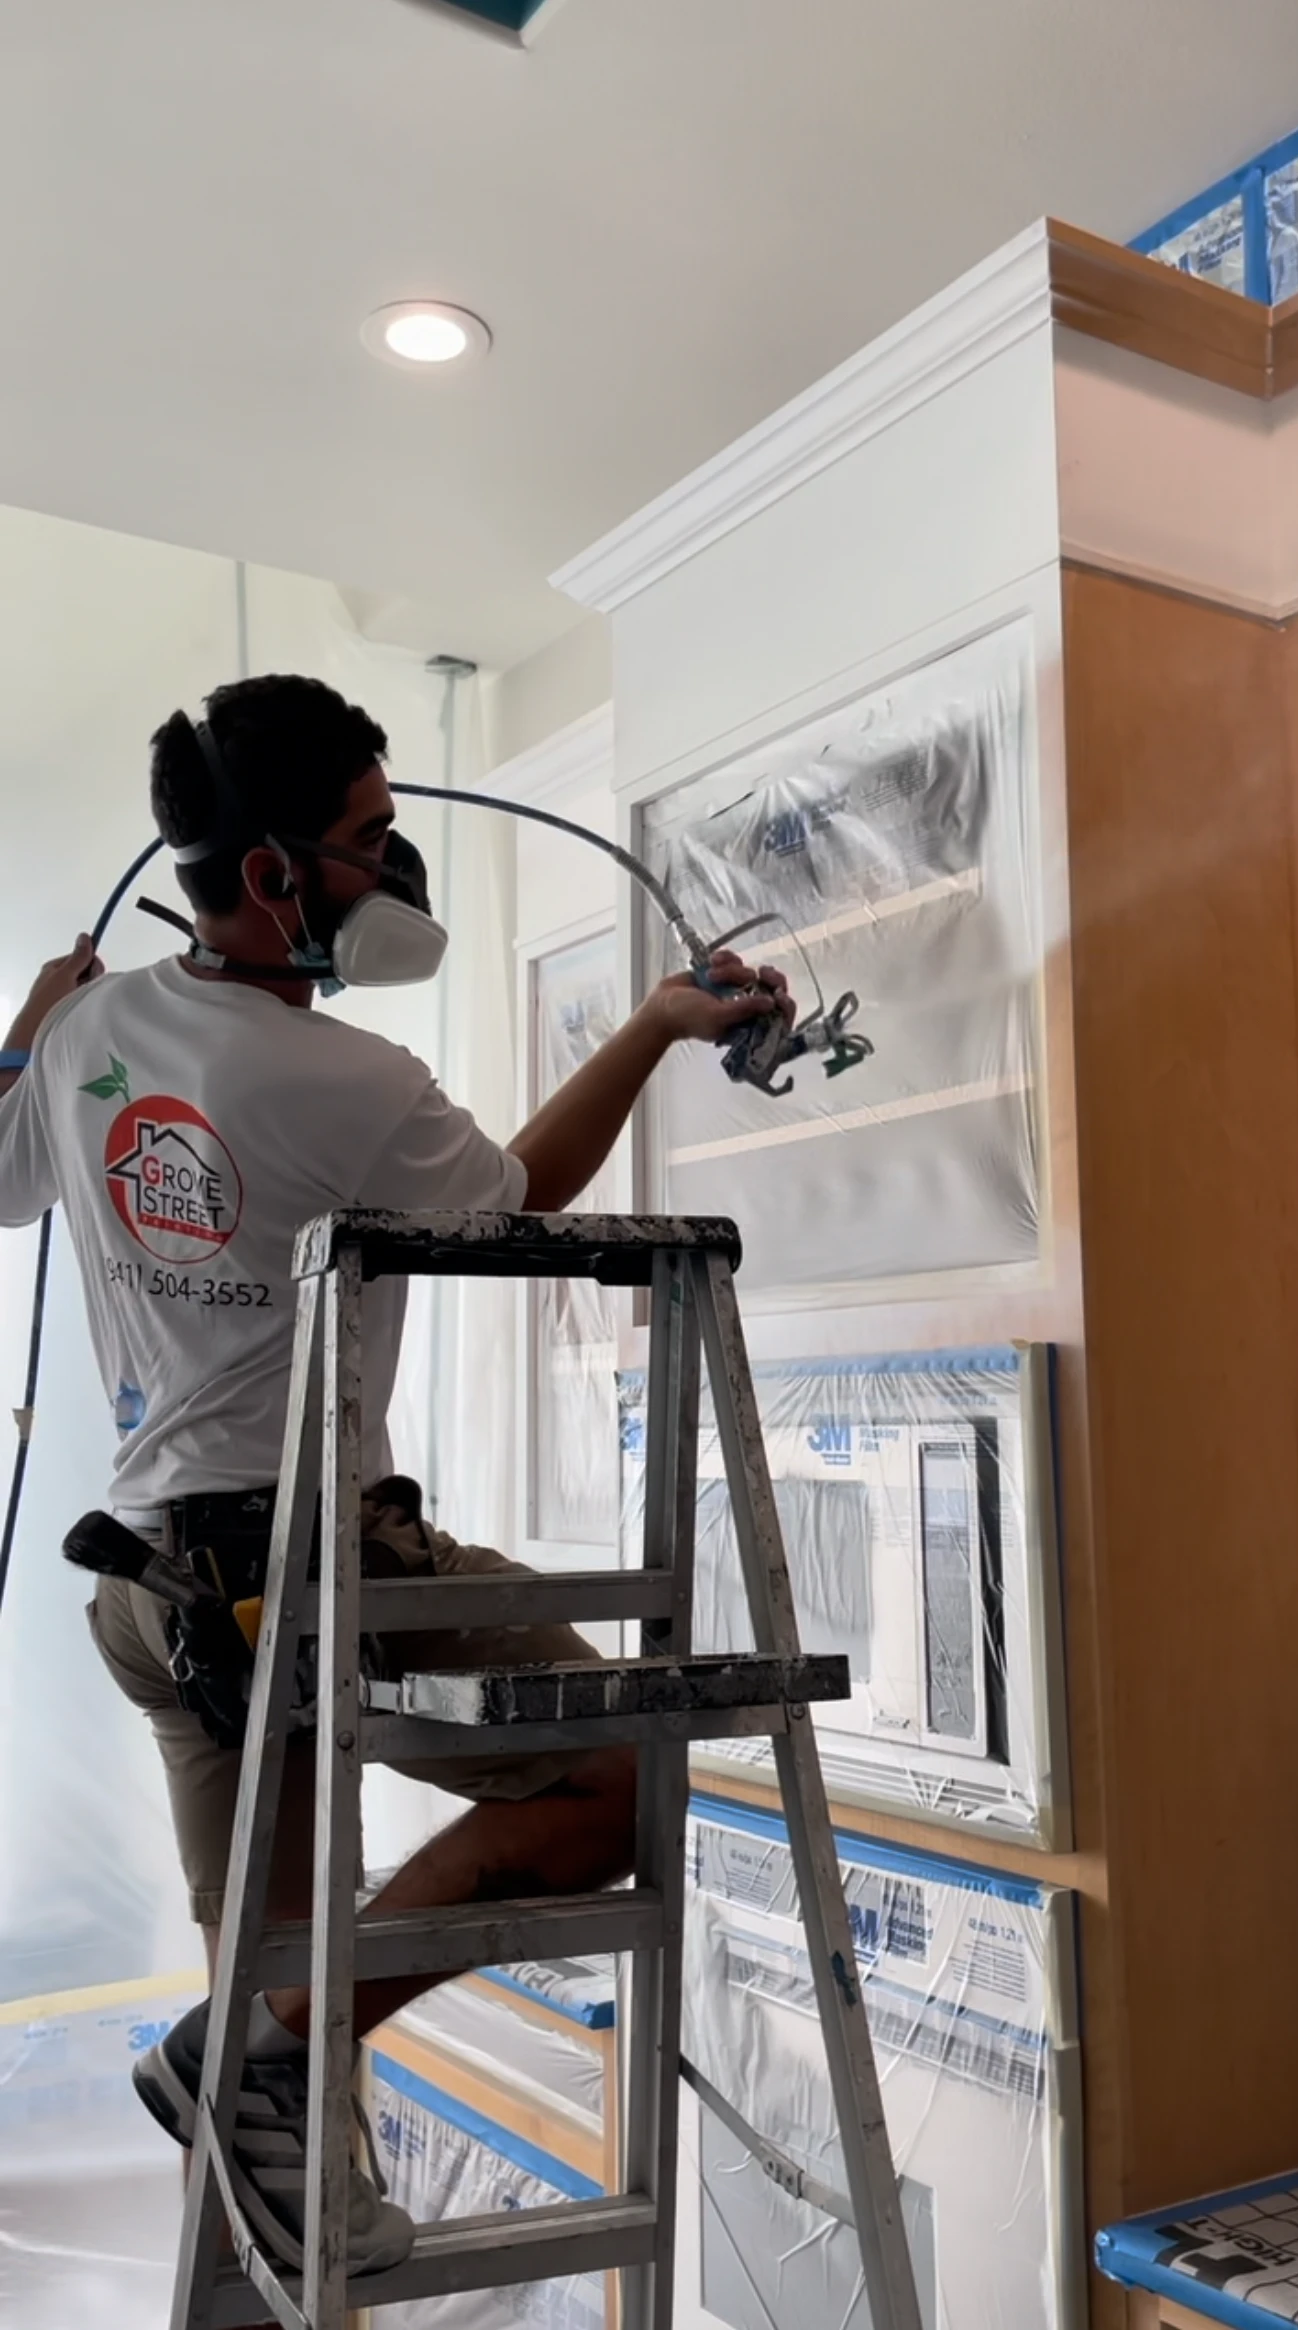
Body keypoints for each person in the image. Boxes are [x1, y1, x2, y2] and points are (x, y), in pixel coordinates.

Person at [0, 673, 790, 2283]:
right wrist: (651, 1023)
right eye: (372, 836)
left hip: (148, 1590)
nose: (397, 862)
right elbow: (517, 1198)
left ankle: (272, 2126)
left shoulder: (92, 1032)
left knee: (271, 1978)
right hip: (297, 1565)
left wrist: (31, 1026)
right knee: (622, 1780)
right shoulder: (341, 1079)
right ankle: (259, 2071)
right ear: (278, 874)